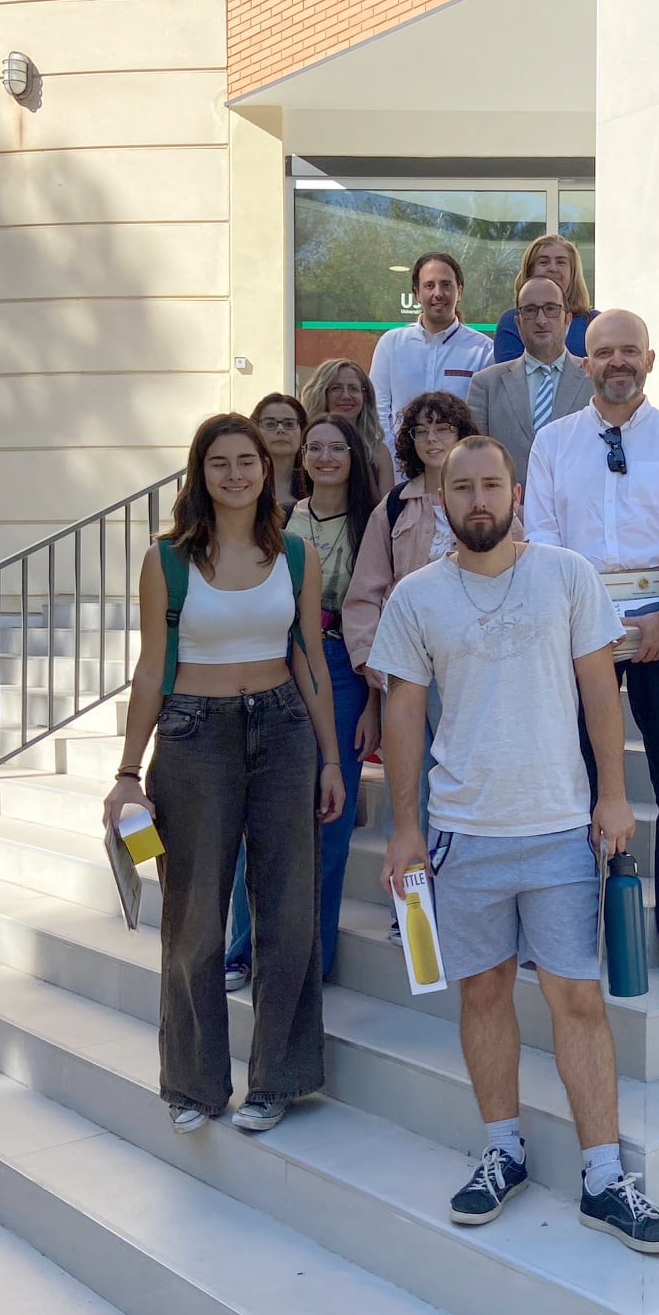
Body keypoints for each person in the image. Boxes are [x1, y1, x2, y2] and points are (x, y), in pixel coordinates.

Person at [373, 436, 659, 1255]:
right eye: (461, 487)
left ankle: (604, 1176)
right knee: (482, 996)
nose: (478, 499)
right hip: (462, 833)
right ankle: (501, 1151)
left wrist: (613, 794)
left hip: (557, 825)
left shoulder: (567, 574)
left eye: (491, 485)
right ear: (441, 501)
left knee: (577, 1000)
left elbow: (598, 689)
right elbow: (403, 713)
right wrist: (405, 824)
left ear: (516, 493)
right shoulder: (415, 596)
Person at [102, 414, 345, 1135]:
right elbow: (151, 670)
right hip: (192, 736)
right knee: (195, 918)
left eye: (247, 461)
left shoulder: (297, 555)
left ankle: (278, 1079)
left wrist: (331, 759)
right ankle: (194, 1083)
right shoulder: (167, 560)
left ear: (266, 470)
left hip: (283, 732)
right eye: (220, 463)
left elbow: (309, 662)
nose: (236, 474)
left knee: (288, 911)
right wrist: (126, 772)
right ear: (199, 474)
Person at [526, 310, 659, 989]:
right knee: (577, 784)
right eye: (605, 352)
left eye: (629, 350)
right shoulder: (552, 442)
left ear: (649, 357)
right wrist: (585, 629)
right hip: (580, 639)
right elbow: (543, 541)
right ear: (586, 364)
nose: (617, 362)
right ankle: (580, 922)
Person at [225, 417, 382, 991]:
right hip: (275, 663)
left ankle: (311, 960)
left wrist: (374, 700)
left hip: (342, 670)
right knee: (256, 816)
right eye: (313, 447)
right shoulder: (277, 520)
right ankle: (242, 951)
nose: (323, 457)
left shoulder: (375, 523)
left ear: (352, 454)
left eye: (335, 447)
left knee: (330, 821)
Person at [340, 390, 483, 675]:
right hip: (404, 656)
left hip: (476, 658)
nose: (431, 438)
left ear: (462, 435)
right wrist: (367, 653)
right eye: (421, 430)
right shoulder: (393, 507)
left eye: (443, 428)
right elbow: (365, 592)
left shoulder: (487, 501)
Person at [369, 252, 493, 469]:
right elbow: (378, 411)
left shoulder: (482, 350)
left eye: (446, 285)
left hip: (460, 472)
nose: (438, 293)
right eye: (429, 286)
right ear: (417, 293)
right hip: (400, 472)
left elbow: (482, 421)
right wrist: (393, 466)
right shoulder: (391, 344)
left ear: (459, 291)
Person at [467, 275, 595, 484]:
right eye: (530, 310)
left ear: (567, 319)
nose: (541, 319)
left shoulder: (593, 379)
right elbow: (474, 462)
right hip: (510, 513)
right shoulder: (486, 385)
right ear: (518, 323)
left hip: (579, 512)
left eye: (551, 308)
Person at [491, 234, 595, 364]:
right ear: (530, 271)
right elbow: (510, 377)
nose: (552, 268)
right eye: (544, 262)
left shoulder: (594, 322)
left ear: (573, 273)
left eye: (561, 262)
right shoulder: (511, 321)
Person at [300, 357, 395, 496]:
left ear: (365, 396)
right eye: (336, 388)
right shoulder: (303, 446)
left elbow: (387, 512)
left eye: (354, 389)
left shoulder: (378, 451)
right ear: (321, 393)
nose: (346, 396)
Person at [250, 392, 308, 514]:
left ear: (302, 431)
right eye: (270, 424)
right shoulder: (244, 486)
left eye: (289, 424)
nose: (280, 430)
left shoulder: (315, 488)